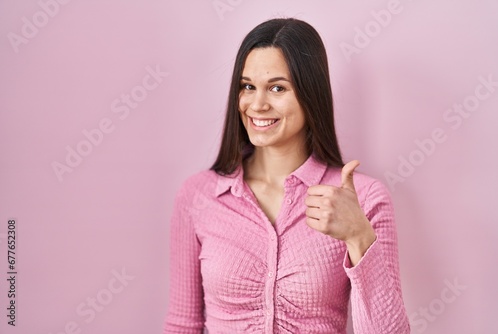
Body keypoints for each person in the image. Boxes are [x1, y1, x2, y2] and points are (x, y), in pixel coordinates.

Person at [163, 18, 410, 333]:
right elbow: (183, 324)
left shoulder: (364, 199)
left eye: (277, 88)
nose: (257, 104)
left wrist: (358, 236)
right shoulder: (198, 195)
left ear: (310, 94)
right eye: (248, 86)